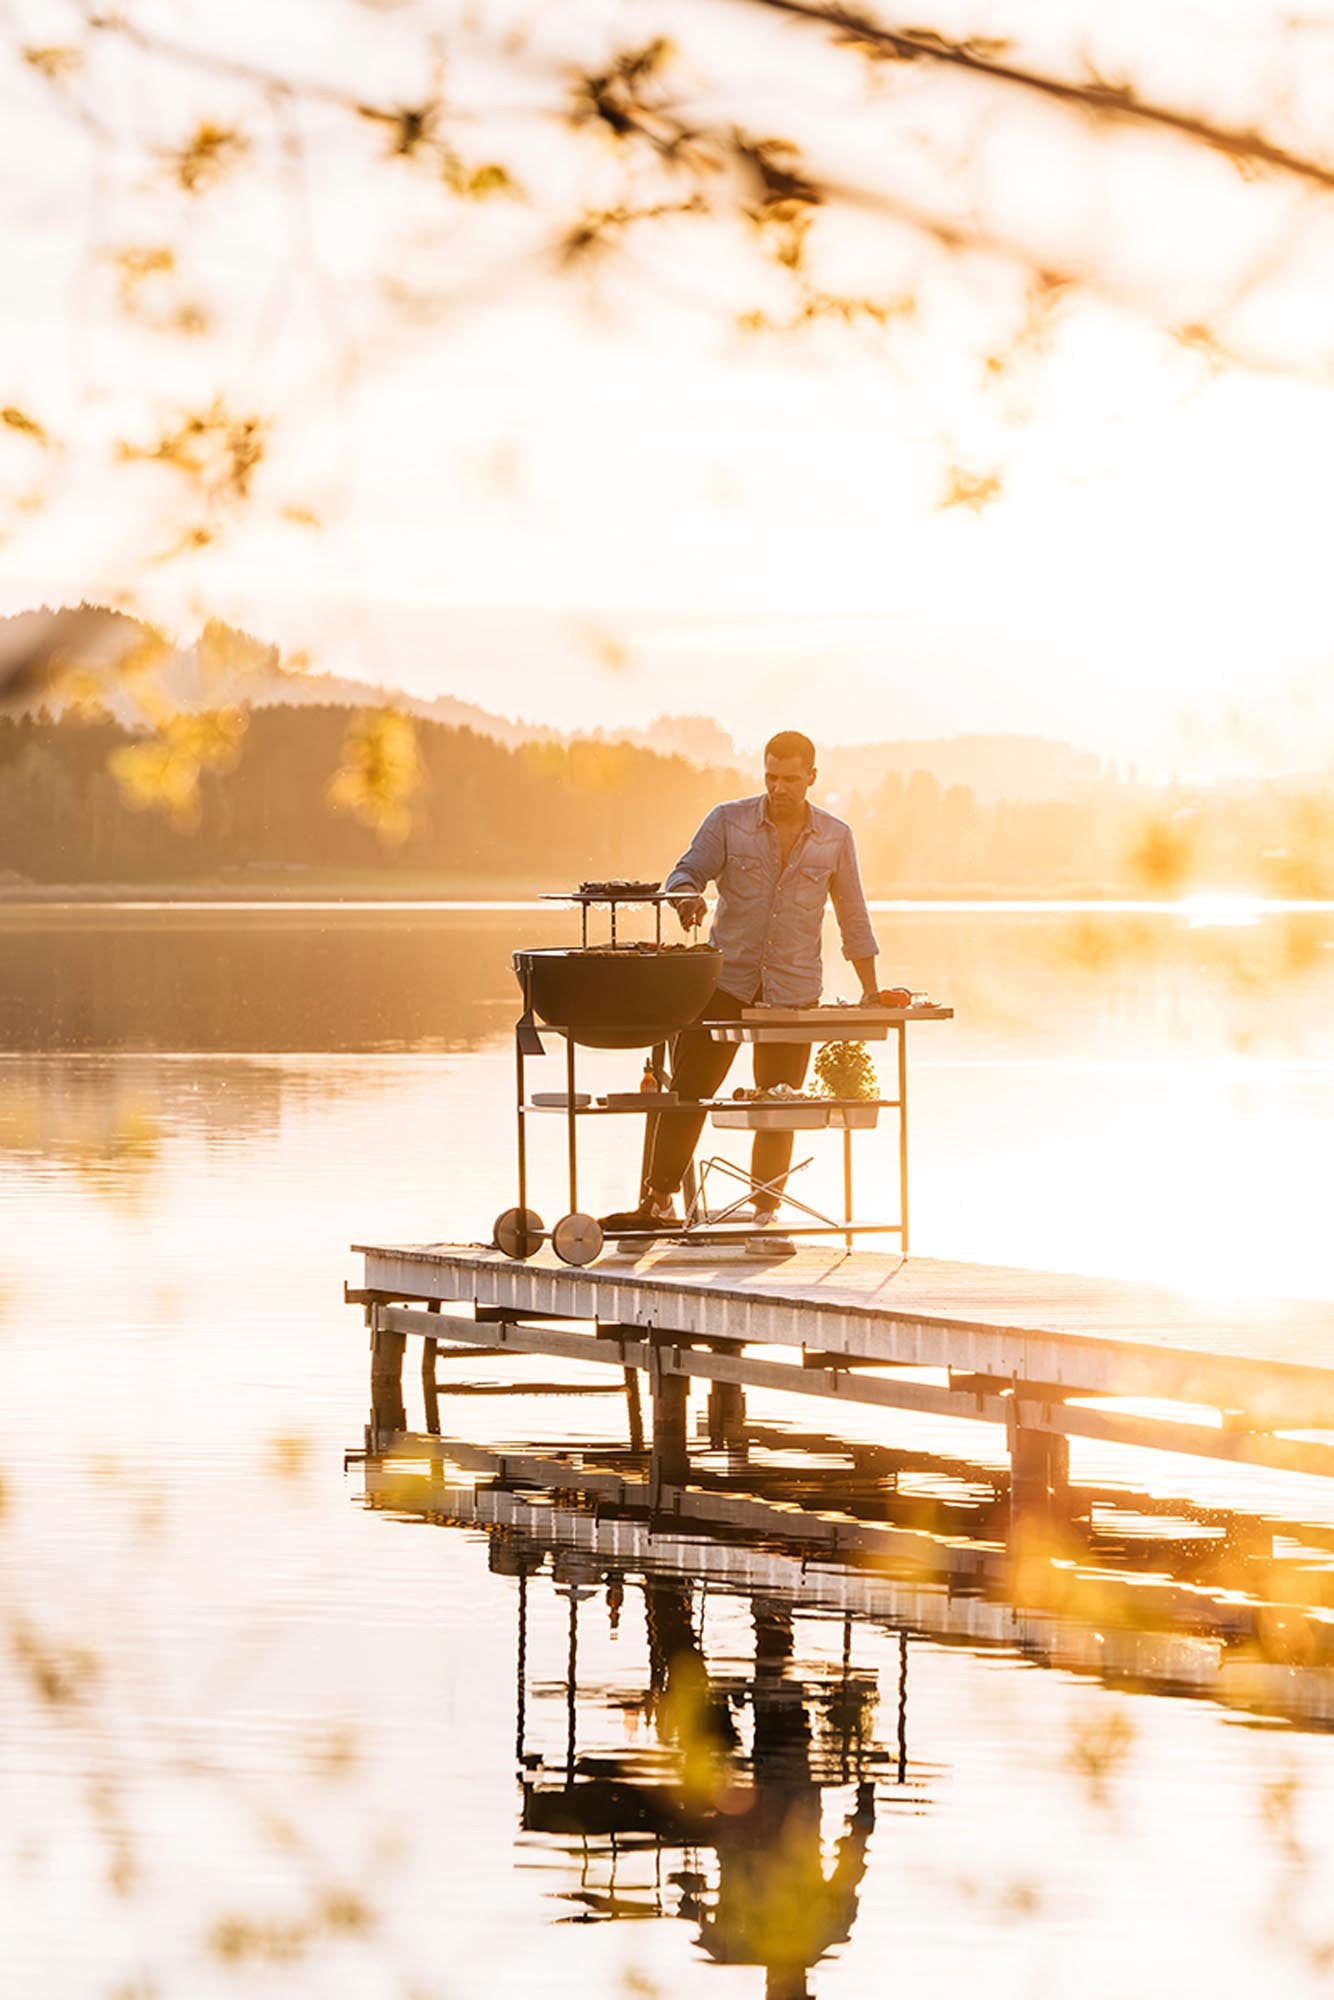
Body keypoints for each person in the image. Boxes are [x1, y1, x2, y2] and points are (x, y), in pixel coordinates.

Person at [616, 730, 879, 1233]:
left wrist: (870, 989)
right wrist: (686, 898)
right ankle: (659, 1201)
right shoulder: (728, 820)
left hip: (793, 992)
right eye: (771, 777)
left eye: (791, 779)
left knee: (777, 1102)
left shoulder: (835, 836)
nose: (779, 788)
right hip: (724, 983)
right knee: (689, 1092)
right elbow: (684, 873)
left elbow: (854, 914)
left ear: (812, 778)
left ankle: (764, 1213)